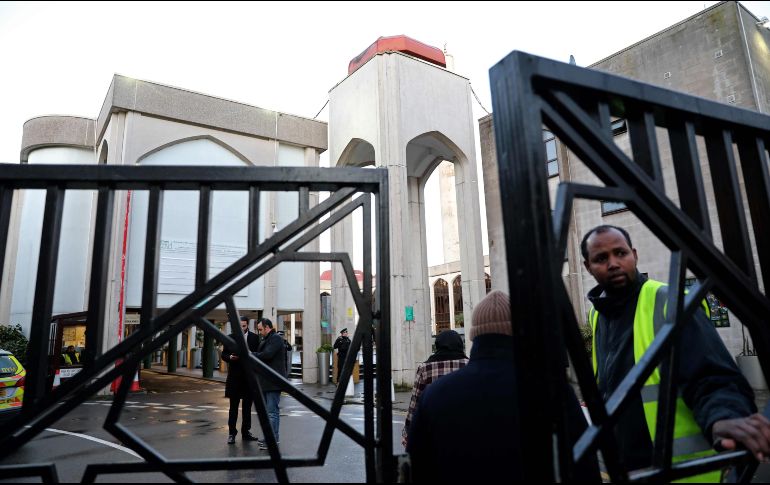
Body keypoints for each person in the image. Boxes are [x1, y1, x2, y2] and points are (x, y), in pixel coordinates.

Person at [582, 224, 770, 479]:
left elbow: (711, 375)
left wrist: (724, 415)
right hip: (627, 467)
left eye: (620, 253)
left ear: (634, 255)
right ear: (587, 267)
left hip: (680, 471)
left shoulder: (669, 301)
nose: (613, 263)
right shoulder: (597, 315)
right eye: (601, 258)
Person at [407, 291, 598, 482]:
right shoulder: (552, 390)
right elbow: (584, 464)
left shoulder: (435, 395)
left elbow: (417, 465)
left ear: (474, 335)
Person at [401, 329, 468, 448]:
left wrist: (408, 433)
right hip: (463, 429)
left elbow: (415, 404)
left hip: (434, 430)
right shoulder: (468, 364)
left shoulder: (425, 368)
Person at [221, 315, 260, 444]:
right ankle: (232, 433)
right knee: (233, 408)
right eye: (240, 326)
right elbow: (224, 354)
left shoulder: (255, 338)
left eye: (244, 326)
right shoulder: (230, 337)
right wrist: (230, 357)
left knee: (247, 408)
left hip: (249, 379)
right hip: (235, 378)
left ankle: (246, 432)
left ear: (247, 325)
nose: (242, 328)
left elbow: (259, 355)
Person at [254, 317, 286, 450]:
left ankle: (272, 439)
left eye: (261, 329)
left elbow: (267, 355)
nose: (260, 332)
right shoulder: (267, 338)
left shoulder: (276, 338)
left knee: (272, 412)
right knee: (270, 412)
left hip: (272, 381)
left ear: (267, 327)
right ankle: (272, 437)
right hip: (267, 381)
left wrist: (251, 354)